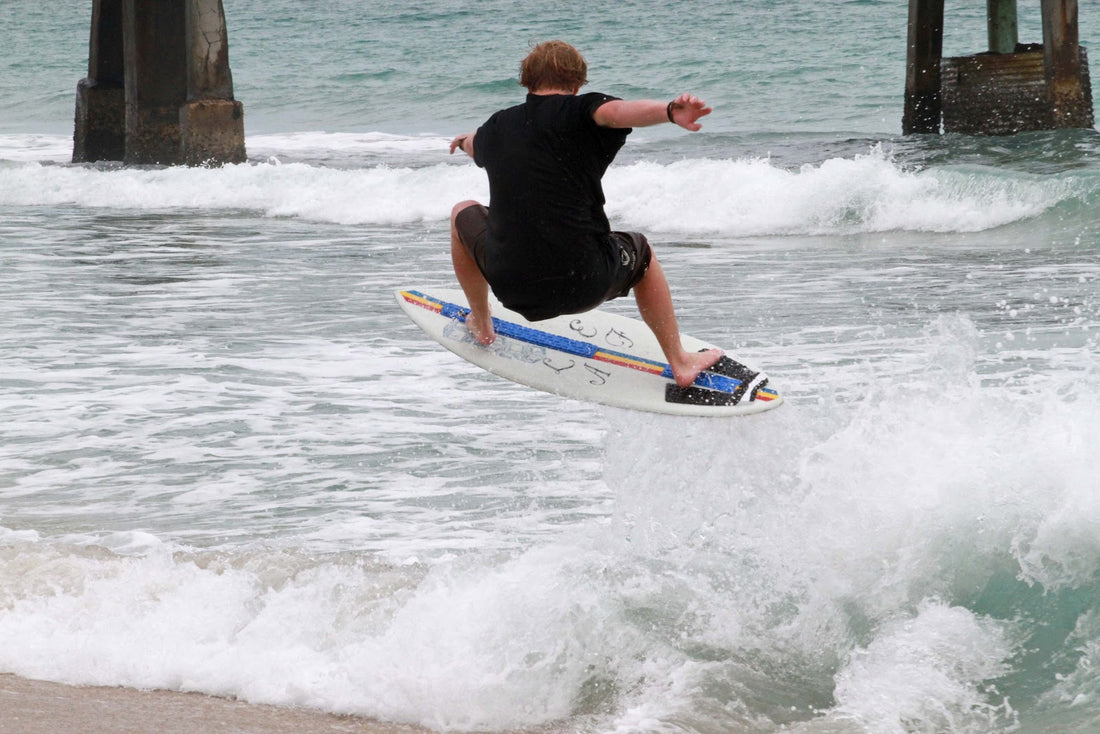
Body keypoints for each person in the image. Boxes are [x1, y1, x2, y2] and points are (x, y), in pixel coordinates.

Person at [448, 40, 723, 388]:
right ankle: (680, 361)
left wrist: (466, 140)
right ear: (577, 85)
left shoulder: (496, 127)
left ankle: (482, 322)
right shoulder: (582, 111)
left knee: (462, 212)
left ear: (527, 82)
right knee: (642, 252)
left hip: (512, 285)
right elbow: (618, 113)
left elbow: (476, 144)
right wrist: (669, 112)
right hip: (584, 278)